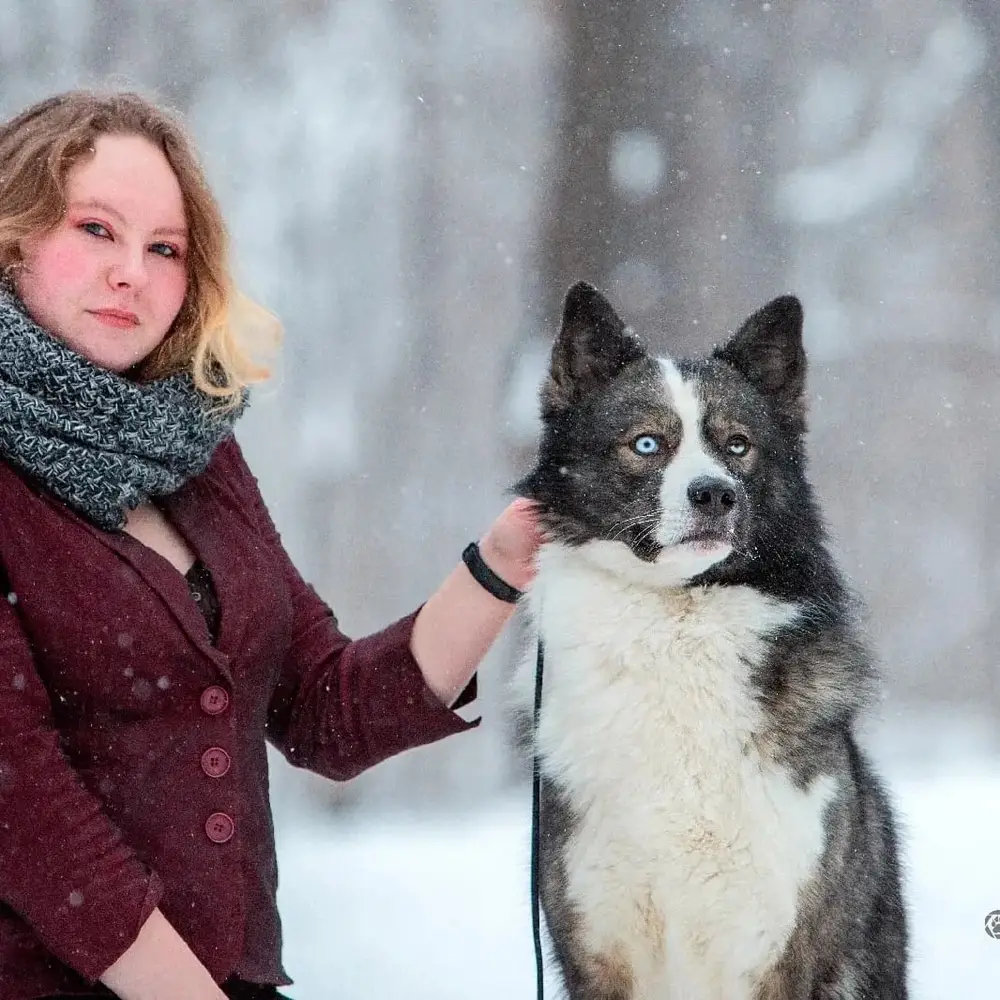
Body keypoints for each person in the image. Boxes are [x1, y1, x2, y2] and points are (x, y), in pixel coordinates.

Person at [0, 90, 542, 1000]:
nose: (132, 272)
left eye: (165, 248)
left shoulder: (195, 452)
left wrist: (501, 564)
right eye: (96, 230)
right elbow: (23, 805)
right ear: (15, 237)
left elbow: (325, 708)